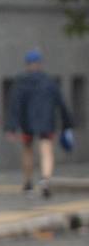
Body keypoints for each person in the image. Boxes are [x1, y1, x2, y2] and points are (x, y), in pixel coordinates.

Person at [7, 49, 74, 198]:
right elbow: (61, 103)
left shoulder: (21, 81)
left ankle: (28, 183)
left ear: (27, 64)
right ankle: (45, 180)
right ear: (40, 64)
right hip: (46, 121)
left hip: (27, 122)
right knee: (46, 149)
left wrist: (12, 126)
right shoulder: (49, 81)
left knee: (27, 150)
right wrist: (67, 123)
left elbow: (15, 105)